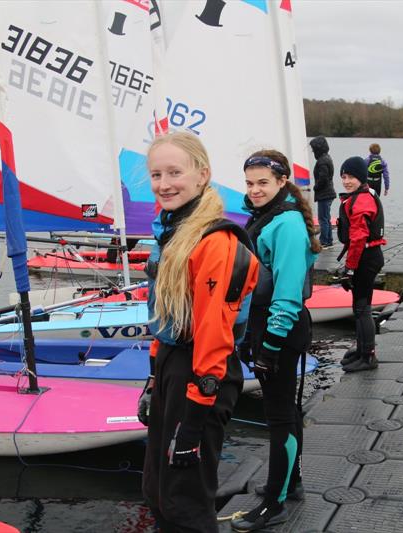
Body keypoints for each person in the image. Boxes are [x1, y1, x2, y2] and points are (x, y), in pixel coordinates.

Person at [138, 131, 260, 533]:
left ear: (202, 175)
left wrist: (193, 421)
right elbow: (168, 316)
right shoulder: (173, 230)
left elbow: (213, 334)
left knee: (185, 502)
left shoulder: (215, 243)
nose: (164, 183)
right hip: (175, 365)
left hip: (204, 374)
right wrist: (154, 379)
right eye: (156, 174)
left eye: (175, 172)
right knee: (157, 491)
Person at [230, 150, 319, 532]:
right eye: (249, 183)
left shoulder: (287, 225)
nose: (255, 190)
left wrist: (268, 346)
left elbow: (286, 294)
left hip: (280, 330)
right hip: (268, 328)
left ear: (282, 182)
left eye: (263, 182)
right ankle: (291, 482)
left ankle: (274, 504)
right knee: (287, 412)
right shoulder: (266, 217)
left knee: (279, 416)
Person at [332, 156, 386, 372]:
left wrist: (350, 269)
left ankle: (368, 356)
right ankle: (362, 349)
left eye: (351, 177)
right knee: (360, 306)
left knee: (362, 308)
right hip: (368, 256)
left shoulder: (361, 201)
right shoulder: (362, 194)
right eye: (343, 177)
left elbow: (358, 238)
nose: (346, 181)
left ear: (361, 178)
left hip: (366, 259)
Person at [309, 136, 336, 247]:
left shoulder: (322, 161)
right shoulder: (327, 158)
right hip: (328, 193)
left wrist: (315, 187)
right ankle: (328, 239)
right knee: (326, 217)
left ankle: (324, 241)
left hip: (325, 194)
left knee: (323, 219)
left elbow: (323, 178)